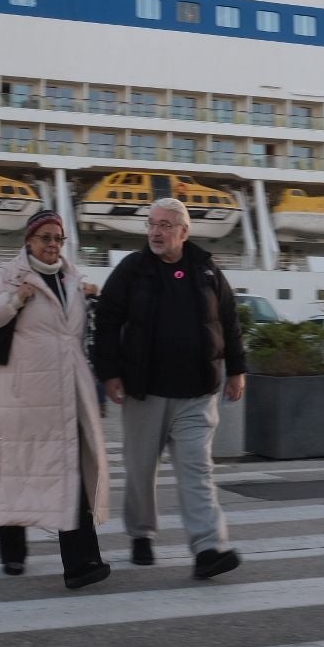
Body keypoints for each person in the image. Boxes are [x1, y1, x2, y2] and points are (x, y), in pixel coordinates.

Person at [93, 196, 244, 581]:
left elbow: (229, 320)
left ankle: (208, 547)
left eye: (165, 225)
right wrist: (109, 373)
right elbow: (106, 321)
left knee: (198, 471)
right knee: (141, 469)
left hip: (197, 392)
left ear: (184, 231)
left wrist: (237, 370)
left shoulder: (206, 269)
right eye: (152, 224)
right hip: (146, 391)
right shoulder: (132, 270)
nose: (156, 232)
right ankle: (141, 534)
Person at [0, 209, 111, 588]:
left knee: (70, 473)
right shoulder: (6, 276)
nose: (52, 245)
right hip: (18, 396)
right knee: (13, 471)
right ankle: (13, 553)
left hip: (65, 395)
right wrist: (12, 301)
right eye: (45, 237)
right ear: (28, 240)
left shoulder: (73, 279)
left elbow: (73, 340)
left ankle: (82, 563)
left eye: (58, 238)